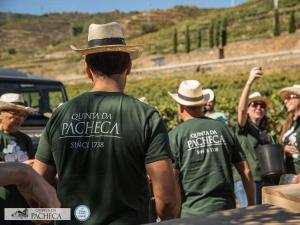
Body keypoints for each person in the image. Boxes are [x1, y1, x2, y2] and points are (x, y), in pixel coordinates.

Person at [33, 22, 180, 225]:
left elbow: (37, 185)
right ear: (129, 66)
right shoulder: (146, 116)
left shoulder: (60, 115)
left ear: (87, 69)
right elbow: (168, 200)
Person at [168, 80, 254, 218]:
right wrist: (251, 206)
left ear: (180, 107)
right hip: (227, 212)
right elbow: (246, 171)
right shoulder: (223, 129)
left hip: (192, 214)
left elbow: (172, 178)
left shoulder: (175, 136)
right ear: (202, 104)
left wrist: (175, 215)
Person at [234, 67, 275, 207]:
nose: (259, 108)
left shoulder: (262, 131)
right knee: (250, 218)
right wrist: (249, 82)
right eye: (254, 104)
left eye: (262, 105)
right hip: (247, 180)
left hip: (263, 179)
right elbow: (241, 110)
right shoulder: (244, 126)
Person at [0, 93, 35, 223]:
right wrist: (22, 168)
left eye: (23, 115)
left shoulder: (25, 139)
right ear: (0, 114)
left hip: (22, 204)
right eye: (15, 113)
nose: (20, 118)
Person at [279, 84, 300, 174]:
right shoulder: (290, 123)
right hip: (290, 173)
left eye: (289, 97)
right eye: (285, 99)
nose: (286, 101)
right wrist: (283, 148)